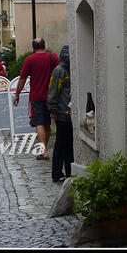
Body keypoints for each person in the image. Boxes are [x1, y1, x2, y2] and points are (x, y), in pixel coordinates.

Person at [13, 38, 59, 161]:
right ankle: (44, 149)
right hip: (50, 95)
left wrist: (17, 94)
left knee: (39, 123)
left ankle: (43, 151)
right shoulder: (53, 57)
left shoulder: (30, 59)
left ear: (33, 48)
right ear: (44, 46)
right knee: (47, 123)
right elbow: (59, 73)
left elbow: (22, 79)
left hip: (36, 96)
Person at [47, 45, 74, 182]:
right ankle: (57, 173)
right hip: (61, 113)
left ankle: (70, 171)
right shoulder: (59, 71)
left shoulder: (71, 70)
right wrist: (54, 110)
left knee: (70, 145)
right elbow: (53, 92)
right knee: (61, 144)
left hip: (69, 114)